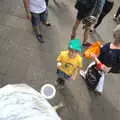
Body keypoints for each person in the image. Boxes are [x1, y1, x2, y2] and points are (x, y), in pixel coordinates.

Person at [80, 24, 120, 95]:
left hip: (100, 65)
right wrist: (101, 47)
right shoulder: (113, 45)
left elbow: (104, 68)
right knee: (101, 76)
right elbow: (106, 49)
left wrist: (95, 58)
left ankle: (87, 77)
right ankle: (99, 89)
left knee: (94, 71)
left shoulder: (115, 53)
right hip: (101, 64)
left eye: (115, 35)